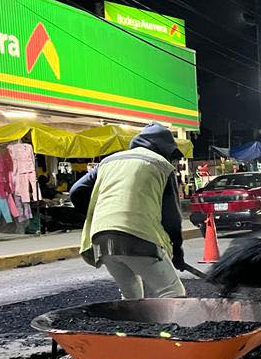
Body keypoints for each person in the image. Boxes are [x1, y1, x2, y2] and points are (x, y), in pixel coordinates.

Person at [70, 122, 187, 299]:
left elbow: (76, 191)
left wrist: (102, 214)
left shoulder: (109, 161)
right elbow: (172, 218)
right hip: (137, 234)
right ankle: (174, 327)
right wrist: (177, 252)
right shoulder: (161, 165)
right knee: (173, 294)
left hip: (101, 237)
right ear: (165, 149)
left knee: (131, 295)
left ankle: (129, 327)